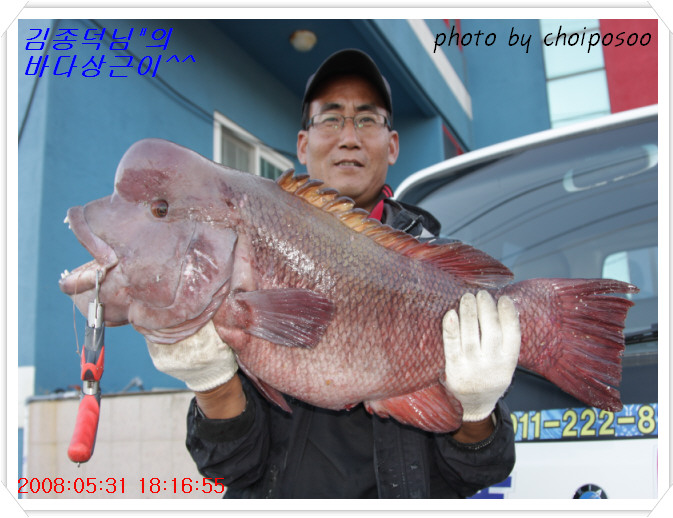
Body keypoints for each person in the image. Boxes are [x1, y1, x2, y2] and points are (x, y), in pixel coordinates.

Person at [148, 49, 520, 498]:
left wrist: (477, 408)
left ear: (392, 144)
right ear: (302, 144)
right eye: (330, 118)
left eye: (367, 119)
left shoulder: (438, 273)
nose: (348, 137)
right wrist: (211, 382)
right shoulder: (241, 249)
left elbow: (480, 470)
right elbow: (228, 467)